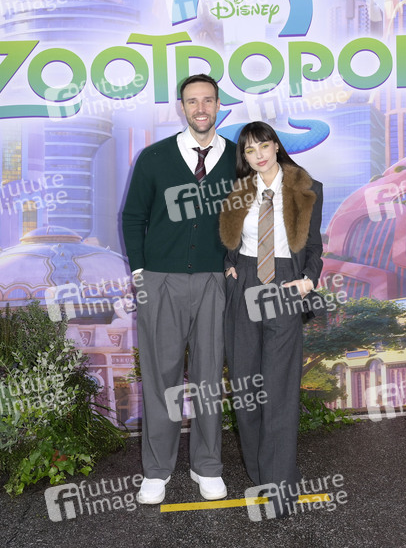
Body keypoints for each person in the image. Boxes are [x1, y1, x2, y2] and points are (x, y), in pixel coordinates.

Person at [121, 74, 236, 504]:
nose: (200, 108)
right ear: (181, 107)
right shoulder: (154, 158)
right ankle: (156, 470)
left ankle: (207, 466)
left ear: (218, 104)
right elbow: (133, 217)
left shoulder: (238, 158)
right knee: (161, 378)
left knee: (208, 378)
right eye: (192, 101)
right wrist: (140, 272)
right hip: (160, 281)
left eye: (208, 100)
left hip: (213, 281)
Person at [218, 121, 323, 518]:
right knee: (246, 386)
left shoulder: (307, 188)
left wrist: (308, 280)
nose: (258, 154)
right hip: (244, 281)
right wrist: (229, 266)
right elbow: (223, 238)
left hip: (285, 283)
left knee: (278, 387)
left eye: (264, 145)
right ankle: (261, 472)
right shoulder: (235, 191)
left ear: (276, 146)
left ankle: (280, 485)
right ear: (244, 157)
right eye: (249, 150)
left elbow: (314, 245)